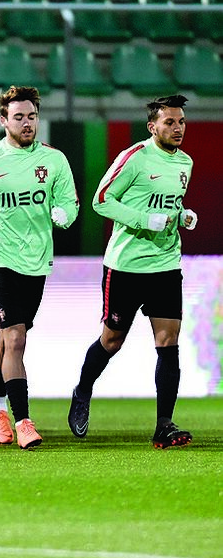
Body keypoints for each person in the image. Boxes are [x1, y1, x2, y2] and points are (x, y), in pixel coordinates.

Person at [0, 85, 78, 450]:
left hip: (35, 261)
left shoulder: (54, 161)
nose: (26, 123)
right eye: (18, 117)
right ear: (3, 120)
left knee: (8, 340)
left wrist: (63, 214)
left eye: (32, 116)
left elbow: (70, 202)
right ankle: (22, 421)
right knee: (15, 339)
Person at [68, 95, 196, 449]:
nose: (178, 128)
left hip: (166, 264)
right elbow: (100, 200)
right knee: (112, 340)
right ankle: (82, 390)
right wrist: (144, 220)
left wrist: (182, 215)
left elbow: (170, 203)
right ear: (152, 126)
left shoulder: (185, 162)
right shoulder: (134, 158)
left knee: (168, 342)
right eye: (169, 122)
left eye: (181, 121)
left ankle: (164, 425)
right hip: (126, 266)